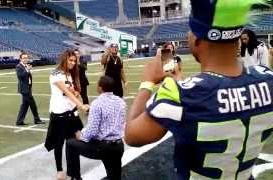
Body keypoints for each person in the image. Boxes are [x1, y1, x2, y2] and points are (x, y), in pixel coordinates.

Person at [125, 0, 273, 180]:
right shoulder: (268, 80)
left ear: (197, 39)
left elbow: (132, 136)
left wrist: (147, 83)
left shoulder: (179, 94)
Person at [66, 75, 126, 180]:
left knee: (71, 144)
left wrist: (82, 136)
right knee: (115, 177)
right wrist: (92, 110)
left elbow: (92, 130)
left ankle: (75, 177)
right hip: (119, 146)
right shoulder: (121, 102)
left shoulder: (97, 103)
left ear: (100, 87)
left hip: (103, 147)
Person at [44, 49, 89, 180]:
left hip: (71, 112)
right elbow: (65, 92)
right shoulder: (55, 73)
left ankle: (74, 173)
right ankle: (59, 171)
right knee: (59, 143)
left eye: (74, 61)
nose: (73, 63)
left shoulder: (69, 74)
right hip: (59, 114)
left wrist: (76, 94)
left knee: (75, 141)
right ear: (64, 59)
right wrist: (81, 105)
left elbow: (71, 92)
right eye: (70, 60)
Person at [15, 52, 44, 126]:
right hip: (24, 90)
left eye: (26, 58)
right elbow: (20, 76)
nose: (26, 59)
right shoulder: (19, 66)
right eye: (24, 58)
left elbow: (27, 77)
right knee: (33, 105)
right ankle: (36, 119)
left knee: (24, 106)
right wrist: (27, 70)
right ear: (20, 59)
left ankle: (19, 121)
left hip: (27, 89)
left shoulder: (25, 66)